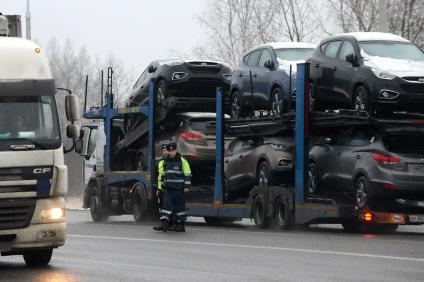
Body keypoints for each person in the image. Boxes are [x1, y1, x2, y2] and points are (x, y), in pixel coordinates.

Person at [153, 142, 191, 232]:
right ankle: (164, 224)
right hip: (168, 189)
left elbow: (187, 174)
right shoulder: (165, 161)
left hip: (179, 189)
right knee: (166, 206)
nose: (171, 152)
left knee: (179, 208)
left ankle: (180, 225)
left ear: (176, 150)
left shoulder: (182, 161)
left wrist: (187, 186)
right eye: (169, 151)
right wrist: (161, 187)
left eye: (173, 150)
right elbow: (163, 175)